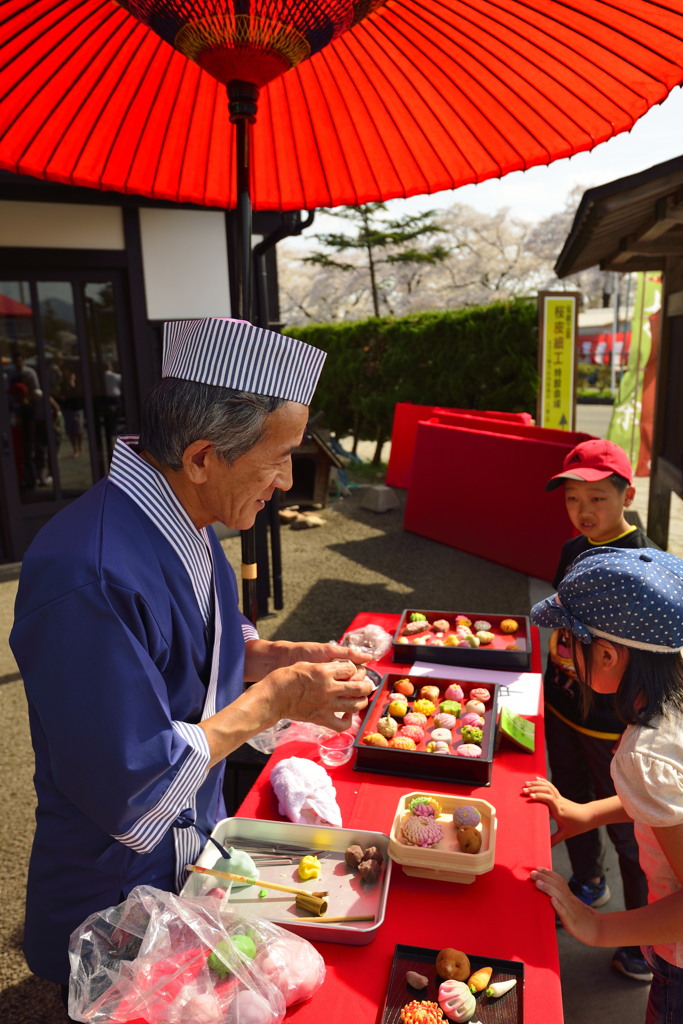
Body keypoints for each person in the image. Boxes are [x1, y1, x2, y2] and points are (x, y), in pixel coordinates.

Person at [10, 318, 374, 1012]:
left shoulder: (187, 518)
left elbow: (198, 647)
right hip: (112, 882)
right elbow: (130, 780)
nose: (287, 479)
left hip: (193, 854)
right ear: (204, 455)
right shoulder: (83, 570)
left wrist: (270, 655)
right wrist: (272, 700)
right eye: (280, 456)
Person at [526, 547, 683, 1024]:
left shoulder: (644, 753)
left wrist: (596, 926)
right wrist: (590, 813)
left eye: (570, 643)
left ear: (610, 655)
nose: (565, 654)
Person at [542, 437, 654, 981]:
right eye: (572, 500)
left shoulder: (645, 563)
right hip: (563, 707)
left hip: (614, 726)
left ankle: (645, 938)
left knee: (633, 832)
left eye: (598, 499)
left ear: (627, 494)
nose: (583, 512)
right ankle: (587, 881)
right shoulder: (571, 550)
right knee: (569, 800)